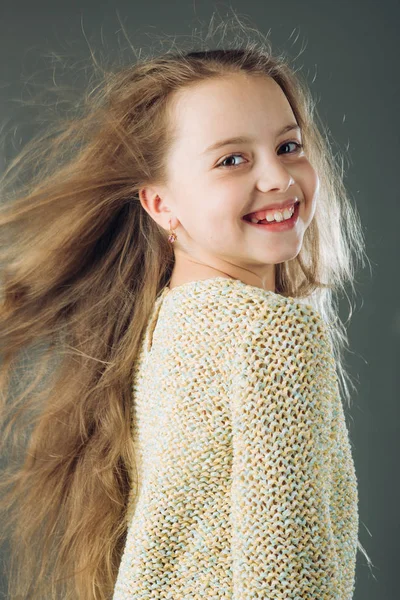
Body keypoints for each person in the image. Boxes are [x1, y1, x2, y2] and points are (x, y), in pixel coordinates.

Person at [0, 15, 373, 600]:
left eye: (289, 146)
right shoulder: (272, 335)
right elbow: (285, 582)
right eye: (232, 160)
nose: (278, 176)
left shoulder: (161, 325)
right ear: (159, 203)